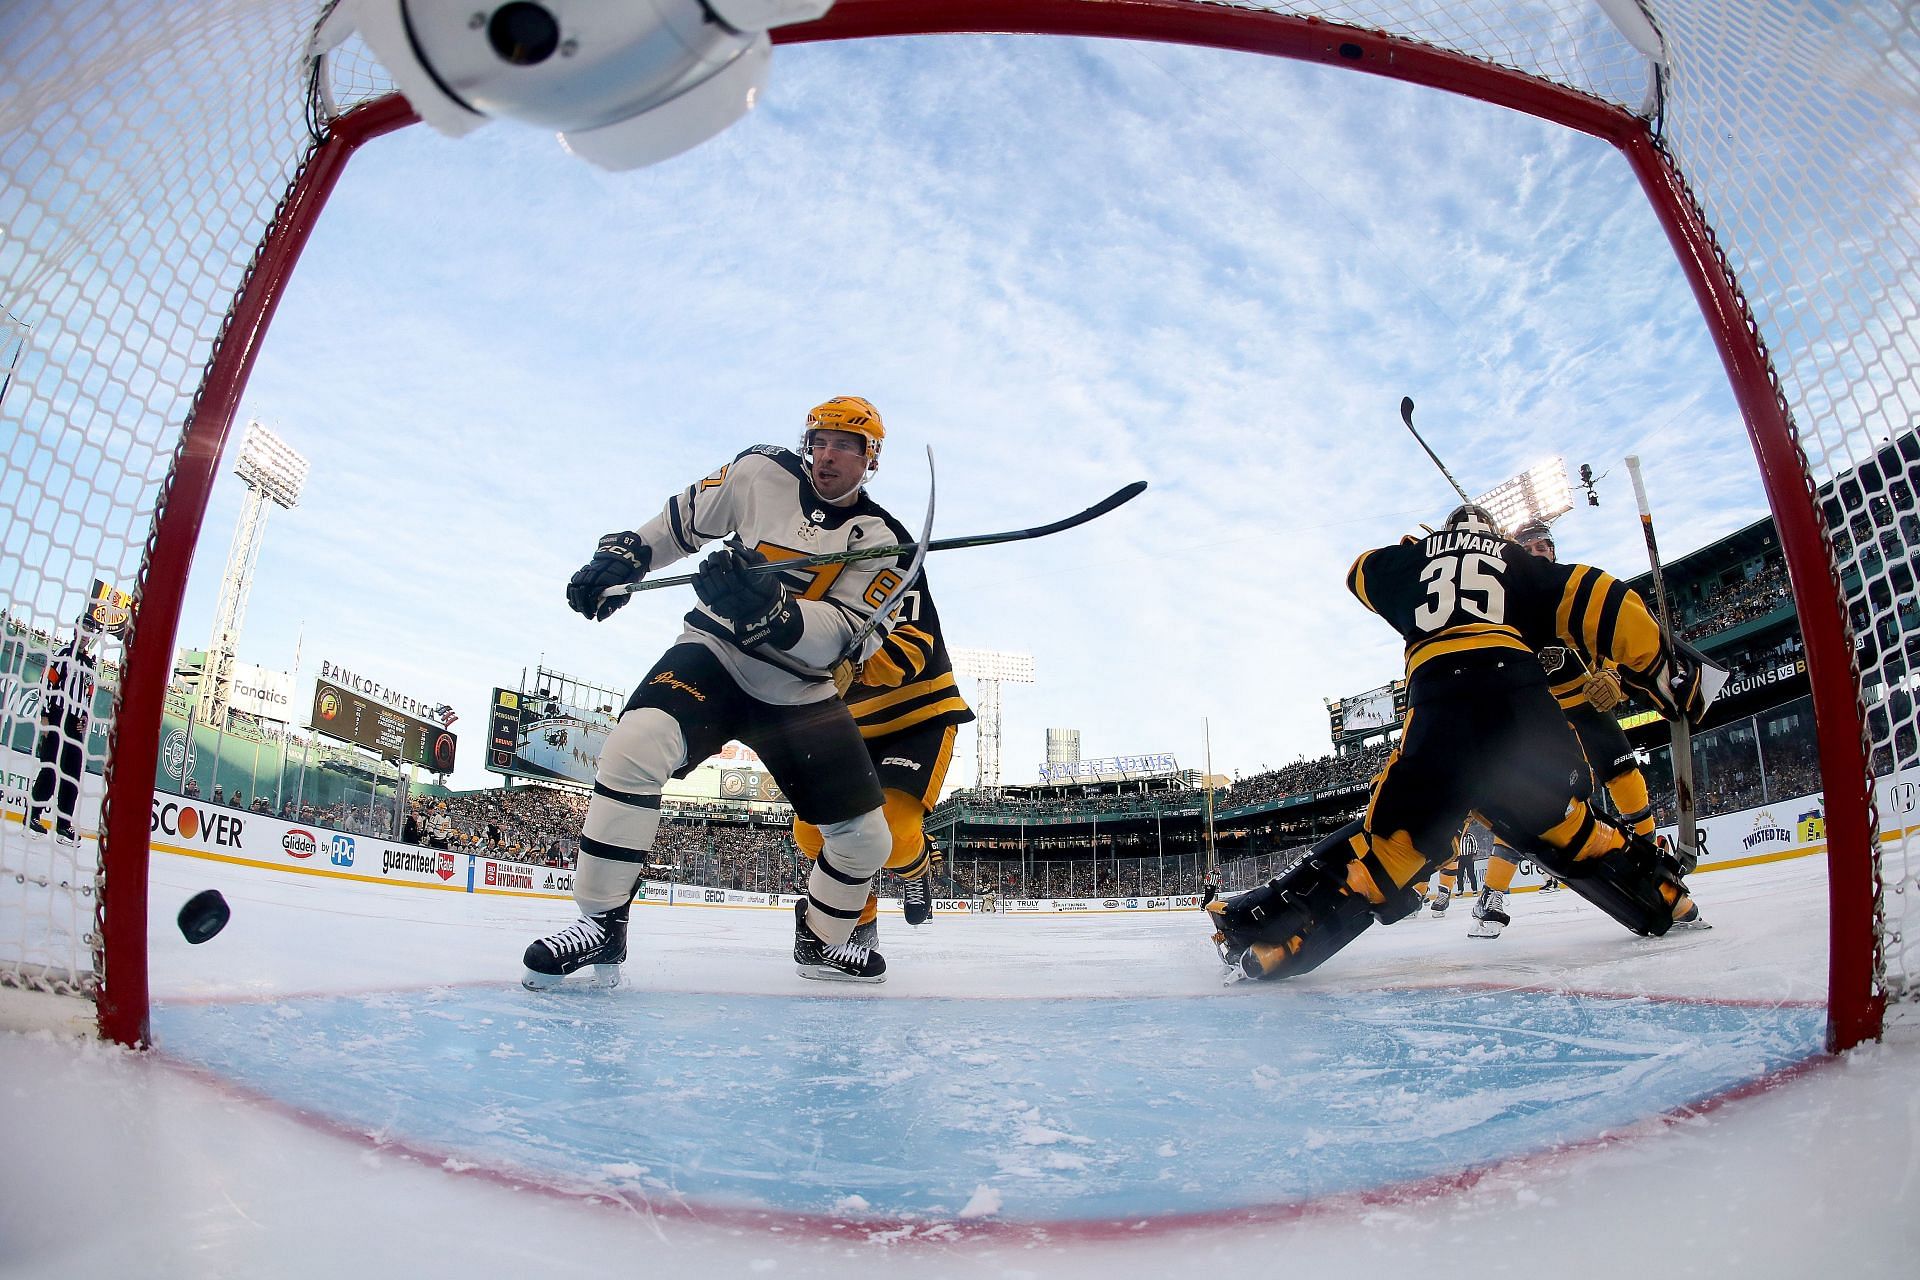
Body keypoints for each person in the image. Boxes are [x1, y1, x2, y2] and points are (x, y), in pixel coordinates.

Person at [1208, 503, 1716, 982]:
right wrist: (1658, 670)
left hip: (1438, 704)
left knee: (1395, 844)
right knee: (1566, 822)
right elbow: (1601, 598)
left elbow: (1360, 572)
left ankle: (1274, 939)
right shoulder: (1517, 561)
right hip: (1517, 702)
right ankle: (1668, 896)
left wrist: (1418, 549)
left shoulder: (1412, 561)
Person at [523, 396, 914, 989]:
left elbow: (840, 640)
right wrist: (626, 557)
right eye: (820, 440)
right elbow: (683, 523)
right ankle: (602, 922)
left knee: (866, 841)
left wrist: (776, 614)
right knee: (636, 743)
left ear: (872, 457)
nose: (827, 455)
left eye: (846, 444)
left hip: (798, 690)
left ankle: (823, 939)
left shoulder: (887, 542)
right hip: (714, 654)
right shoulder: (760, 471)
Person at [1468, 519, 1706, 939]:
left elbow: (1606, 639)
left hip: (1587, 704)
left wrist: (1613, 676)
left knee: (1626, 778)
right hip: (1545, 718)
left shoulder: (1567, 587)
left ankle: (1658, 876)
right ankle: (1493, 893)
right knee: (1539, 806)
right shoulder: (1506, 599)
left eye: (1544, 543)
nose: (1539, 549)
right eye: (1530, 545)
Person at [792, 572, 972, 948]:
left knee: (895, 833)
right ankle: (861, 918)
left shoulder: (891, 560)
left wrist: (856, 668)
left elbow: (917, 645)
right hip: (848, 728)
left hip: (919, 717)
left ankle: (916, 865)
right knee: (809, 833)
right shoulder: (794, 588)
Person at [28, 621, 98, 844]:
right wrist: (45, 716)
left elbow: (88, 695)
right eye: (83, 631)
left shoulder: (89, 664)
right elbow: (45, 685)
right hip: (58, 716)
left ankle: (63, 826)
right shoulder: (61, 654)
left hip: (75, 723)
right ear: (75, 631)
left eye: (90, 632)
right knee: (50, 769)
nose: (86, 636)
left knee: (72, 775)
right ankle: (33, 816)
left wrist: (85, 718)